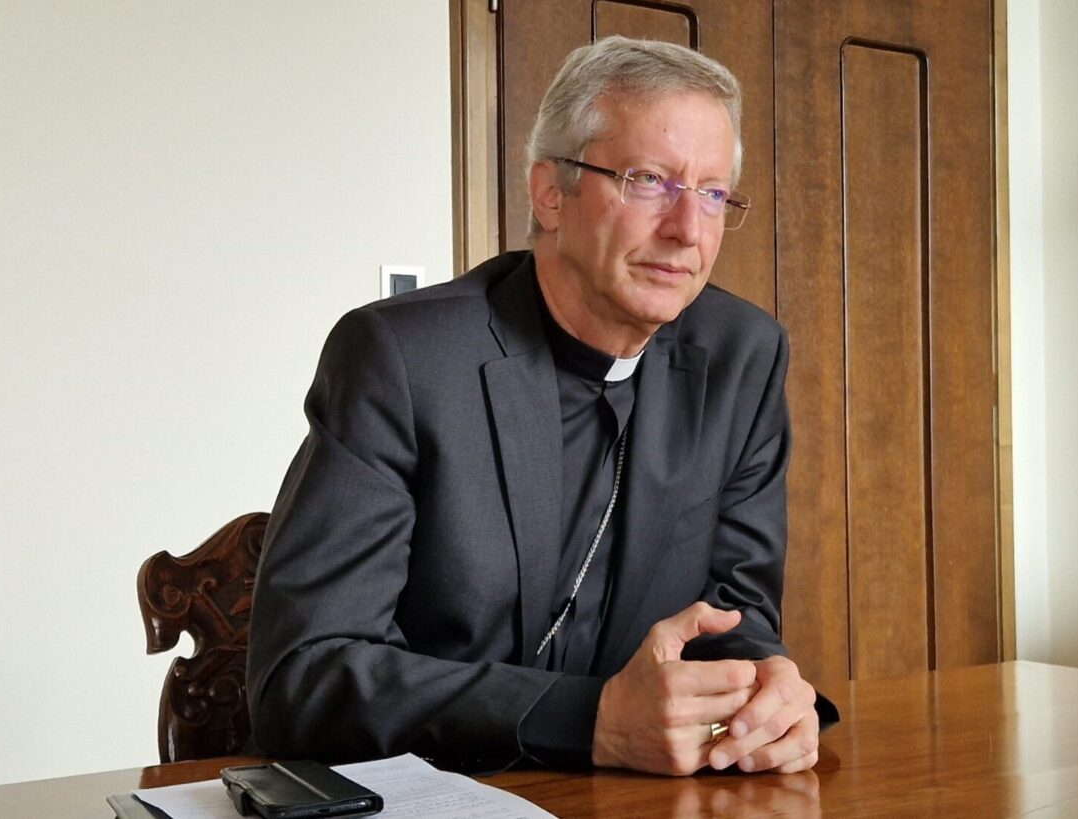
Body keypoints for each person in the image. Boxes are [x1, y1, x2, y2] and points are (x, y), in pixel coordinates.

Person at [247, 36, 832, 778]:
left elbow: (733, 622)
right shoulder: (402, 359)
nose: (689, 231)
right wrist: (589, 718)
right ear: (551, 193)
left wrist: (769, 692)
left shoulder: (742, 355)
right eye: (650, 180)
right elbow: (302, 678)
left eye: (712, 192)